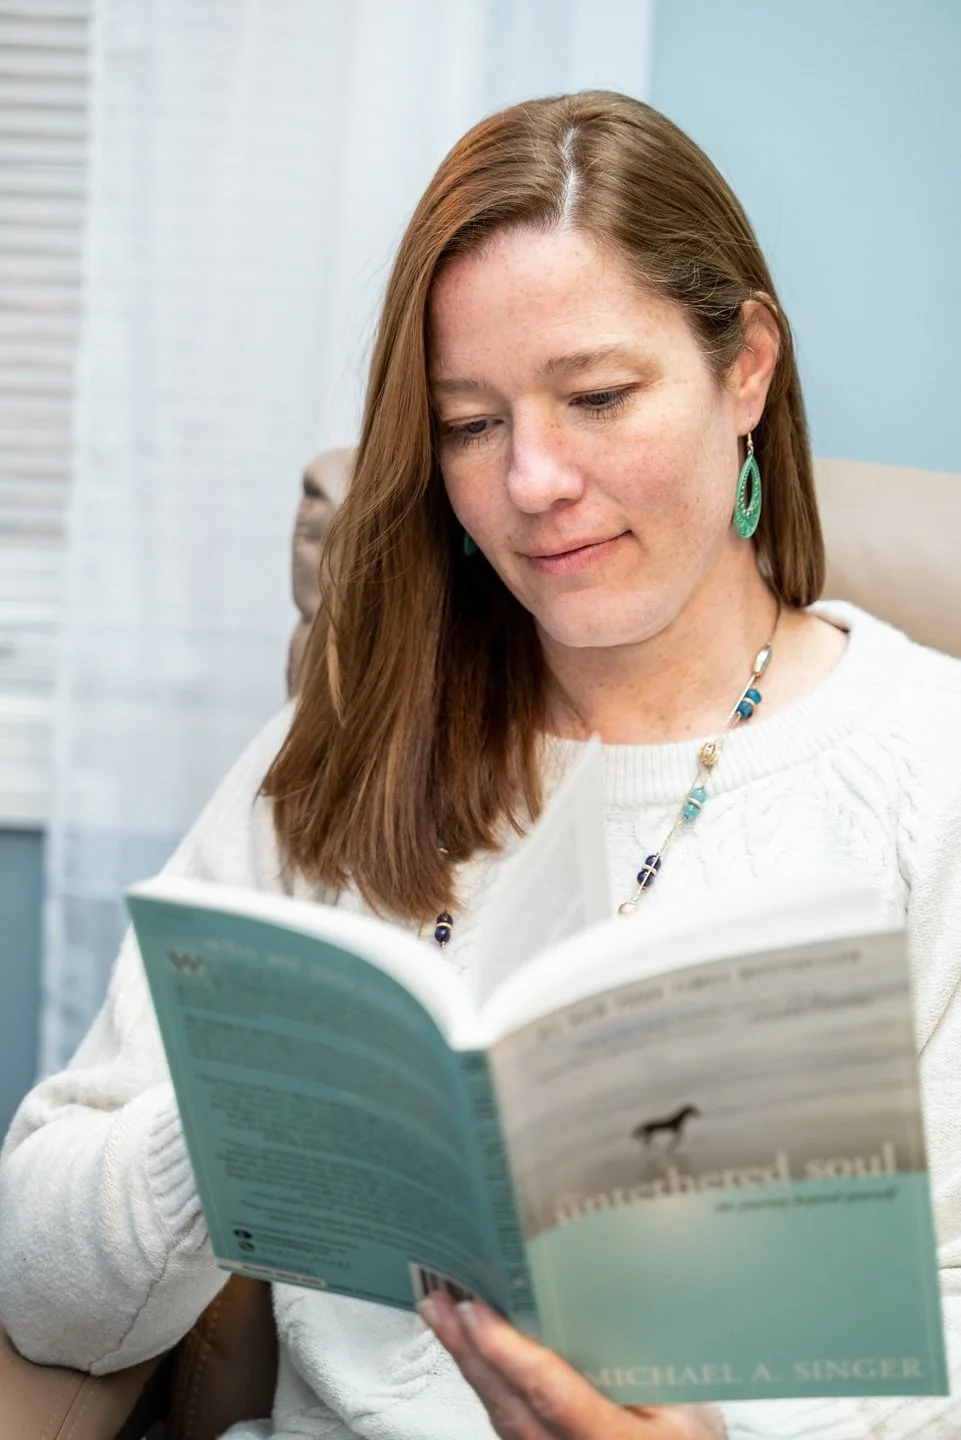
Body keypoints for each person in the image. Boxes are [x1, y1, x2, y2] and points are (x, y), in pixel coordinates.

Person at [0, 90, 958, 1440]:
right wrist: (231, 1123)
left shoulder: (931, 768)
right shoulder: (355, 733)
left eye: (599, 397)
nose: (533, 481)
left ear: (745, 367)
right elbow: (43, 1294)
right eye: (469, 423)